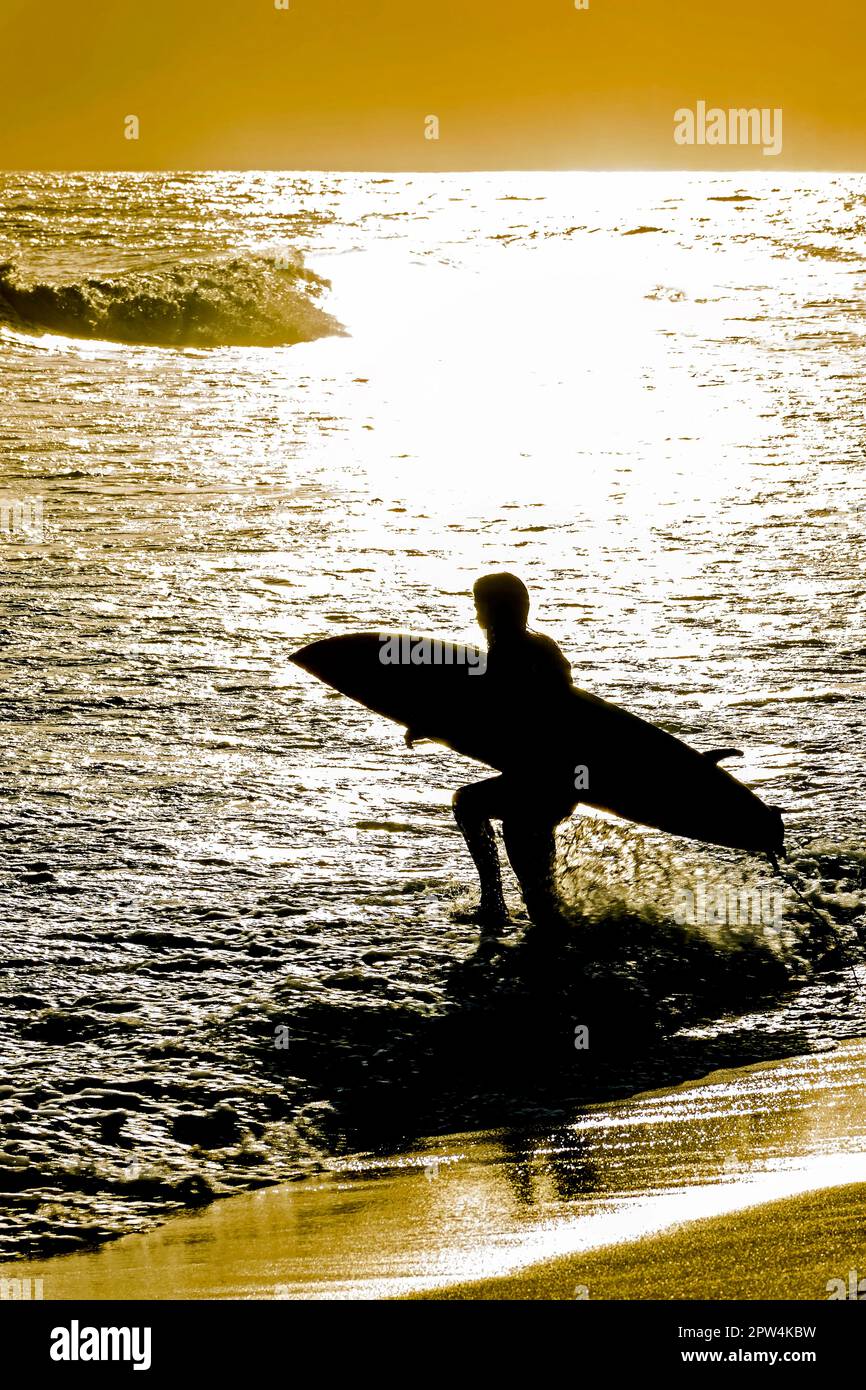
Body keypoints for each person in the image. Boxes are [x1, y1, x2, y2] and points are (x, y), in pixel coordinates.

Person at [408, 573, 579, 935]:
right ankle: (510, 914)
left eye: (478, 602)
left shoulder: (512, 651)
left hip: (541, 781)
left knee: (469, 805)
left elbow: (491, 709)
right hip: (556, 777)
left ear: (495, 607)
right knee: (540, 895)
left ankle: (496, 906)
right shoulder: (537, 645)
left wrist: (433, 725)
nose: (475, 611)